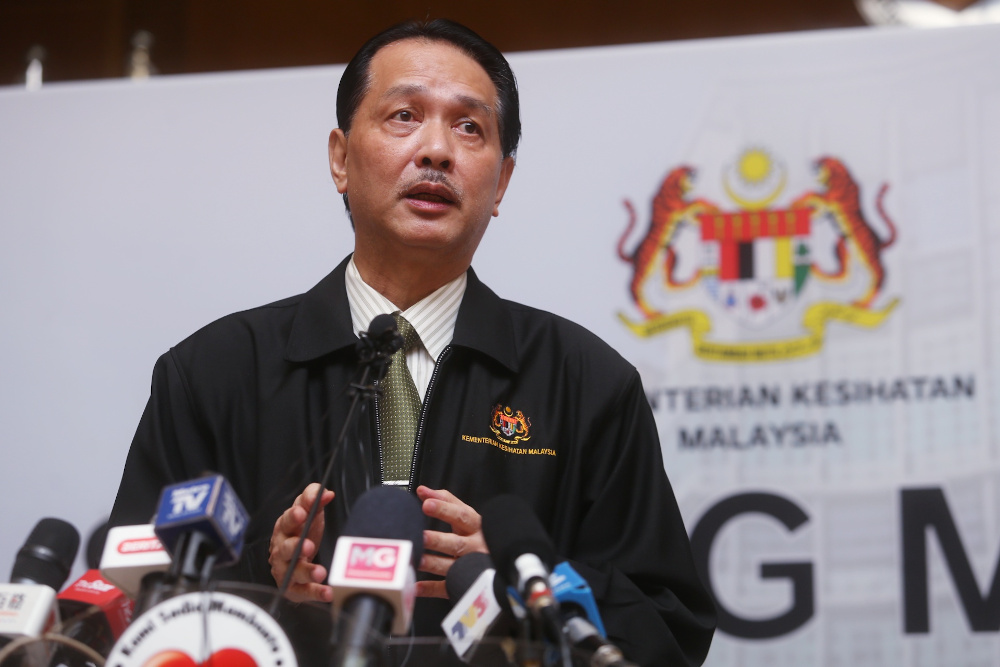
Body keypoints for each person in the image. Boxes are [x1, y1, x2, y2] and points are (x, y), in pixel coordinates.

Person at [110, 19, 716, 665]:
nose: (436, 150)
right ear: (340, 158)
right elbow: (130, 610)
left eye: (469, 127)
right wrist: (265, 575)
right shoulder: (213, 372)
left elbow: (667, 626)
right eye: (404, 116)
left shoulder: (586, 382)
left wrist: (528, 581)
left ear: (501, 182)